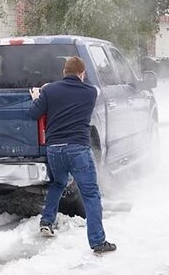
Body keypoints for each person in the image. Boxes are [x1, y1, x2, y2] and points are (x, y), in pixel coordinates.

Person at [28, 56, 117, 254]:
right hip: (78, 149)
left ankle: (47, 221)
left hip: (54, 150)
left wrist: (37, 97)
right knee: (91, 194)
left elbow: (34, 114)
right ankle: (98, 242)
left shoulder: (49, 91)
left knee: (58, 184)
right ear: (82, 74)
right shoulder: (90, 92)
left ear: (63, 72)